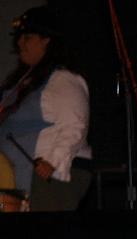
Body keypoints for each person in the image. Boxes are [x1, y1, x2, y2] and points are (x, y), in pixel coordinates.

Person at [0, 5, 92, 211]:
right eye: (19, 37)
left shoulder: (63, 80)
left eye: (27, 37)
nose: (20, 43)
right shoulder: (21, 83)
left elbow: (75, 125)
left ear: (46, 40)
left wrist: (54, 162)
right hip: (16, 177)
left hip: (46, 177)